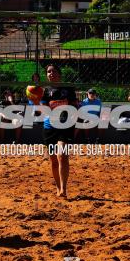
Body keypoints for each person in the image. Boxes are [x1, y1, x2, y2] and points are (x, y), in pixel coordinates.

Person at [41, 64, 77, 198]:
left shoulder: (67, 89)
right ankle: (58, 187)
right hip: (49, 127)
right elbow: (44, 109)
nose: (50, 73)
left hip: (65, 125)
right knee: (53, 160)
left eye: (53, 71)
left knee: (62, 156)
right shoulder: (45, 91)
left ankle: (64, 189)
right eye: (48, 71)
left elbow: (74, 106)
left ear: (59, 74)